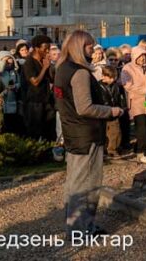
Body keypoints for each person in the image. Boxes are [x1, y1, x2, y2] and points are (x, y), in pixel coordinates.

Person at [53, 30, 124, 234]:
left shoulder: (62, 68)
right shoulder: (80, 73)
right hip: (87, 133)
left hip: (73, 132)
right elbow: (85, 107)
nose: (93, 50)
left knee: (75, 181)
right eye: (89, 46)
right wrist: (112, 111)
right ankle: (82, 227)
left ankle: (74, 224)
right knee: (87, 183)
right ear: (79, 47)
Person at [120, 47, 146, 165]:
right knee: (141, 127)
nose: (142, 59)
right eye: (140, 56)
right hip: (136, 101)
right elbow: (128, 86)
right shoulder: (127, 68)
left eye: (144, 56)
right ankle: (141, 153)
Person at [20, 34, 56, 141]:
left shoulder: (44, 61)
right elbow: (35, 82)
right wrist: (44, 68)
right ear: (36, 48)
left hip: (46, 101)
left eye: (49, 48)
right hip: (34, 103)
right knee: (35, 132)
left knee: (49, 131)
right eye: (45, 48)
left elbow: (51, 79)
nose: (47, 51)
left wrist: (49, 66)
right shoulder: (29, 62)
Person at [98, 65, 127, 158]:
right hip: (103, 112)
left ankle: (113, 150)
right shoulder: (98, 86)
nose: (112, 80)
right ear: (103, 76)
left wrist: (122, 108)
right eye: (110, 78)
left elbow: (119, 98)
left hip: (114, 112)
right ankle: (104, 150)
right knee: (103, 133)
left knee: (115, 132)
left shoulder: (116, 86)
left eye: (114, 78)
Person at [0, 51, 23, 135]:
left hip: (13, 101)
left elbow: (20, 83)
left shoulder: (14, 72)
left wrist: (15, 86)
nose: (8, 61)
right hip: (1, 102)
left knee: (13, 124)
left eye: (10, 58)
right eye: (5, 59)